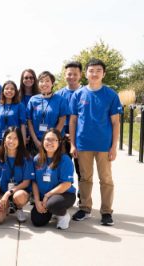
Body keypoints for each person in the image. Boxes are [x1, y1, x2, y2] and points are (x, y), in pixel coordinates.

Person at [70, 58, 122, 226]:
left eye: (98, 70)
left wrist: (113, 147)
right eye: (91, 70)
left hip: (104, 146)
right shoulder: (78, 94)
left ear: (103, 74)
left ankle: (106, 212)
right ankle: (85, 208)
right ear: (86, 73)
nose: (94, 74)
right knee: (85, 178)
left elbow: (116, 123)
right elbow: (72, 121)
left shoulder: (111, 95)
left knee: (106, 179)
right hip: (83, 144)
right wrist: (72, 144)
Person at [31, 129, 76, 229]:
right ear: (43, 142)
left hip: (64, 194)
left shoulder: (65, 160)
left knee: (52, 204)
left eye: (54, 140)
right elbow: (34, 182)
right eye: (47, 139)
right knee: (37, 220)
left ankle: (63, 215)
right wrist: (37, 201)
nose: (50, 143)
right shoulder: (37, 159)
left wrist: (48, 195)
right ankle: (53, 211)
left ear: (59, 142)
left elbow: (67, 184)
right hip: (45, 198)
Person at [0, 127, 34, 224]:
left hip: (19, 192)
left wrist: (8, 193)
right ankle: (7, 206)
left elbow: (26, 182)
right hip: (3, 193)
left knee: (19, 196)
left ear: (20, 141)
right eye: (9, 138)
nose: (12, 141)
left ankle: (19, 208)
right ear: (4, 140)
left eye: (15, 138)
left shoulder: (26, 158)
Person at [55, 61, 83, 196]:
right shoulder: (58, 94)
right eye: (69, 74)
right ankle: (65, 195)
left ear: (80, 75)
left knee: (81, 170)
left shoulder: (85, 93)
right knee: (62, 169)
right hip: (61, 139)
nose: (72, 77)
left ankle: (83, 199)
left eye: (75, 74)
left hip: (80, 139)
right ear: (64, 75)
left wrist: (74, 136)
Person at [26, 71, 68, 154]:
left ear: (52, 83)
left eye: (47, 81)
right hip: (36, 142)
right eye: (41, 81)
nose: (44, 83)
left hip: (54, 142)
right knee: (38, 166)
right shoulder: (33, 100)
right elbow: (29, 121)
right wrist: (35, 141)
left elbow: (62, 120)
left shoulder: (61, 100)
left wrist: (52, 139)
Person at [0, 80, 27, 154]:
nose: (9, 90)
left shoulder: (20, 106)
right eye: (6, 88)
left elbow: (23, 126)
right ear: (3, 91)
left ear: (15, 91)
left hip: (15, 141)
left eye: (12, 89)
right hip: (0, 141)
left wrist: (23, 144)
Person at [19, 69, 39, 156]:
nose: (28, 80)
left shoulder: (40, 96)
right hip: (20, 135)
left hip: (36, 135)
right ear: (22, 80)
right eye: (26, 78)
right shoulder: (16, 96)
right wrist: (22, 137)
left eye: (31, 78)